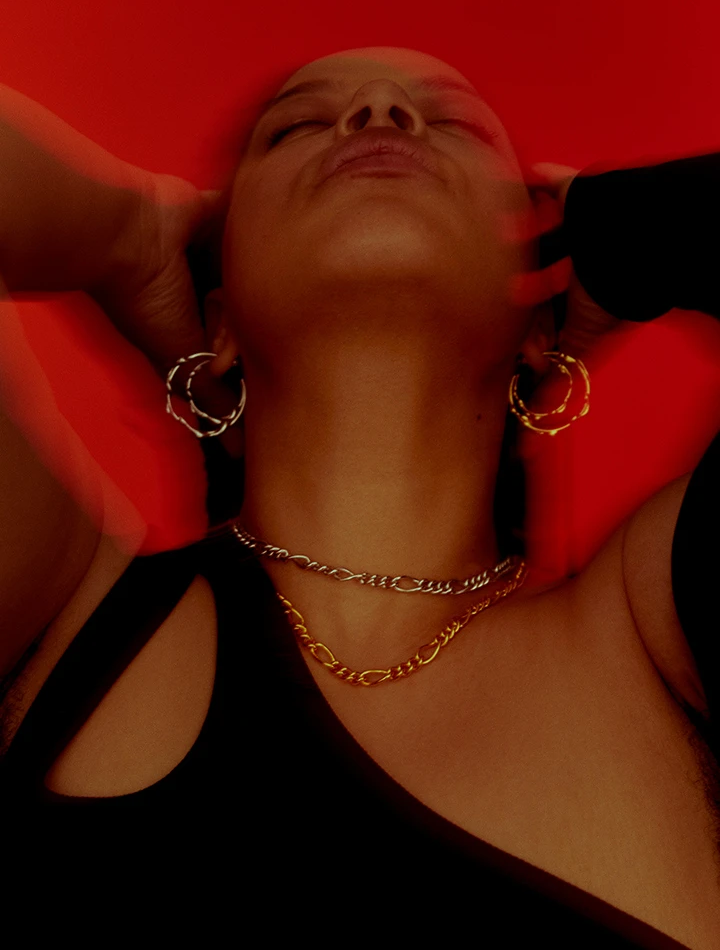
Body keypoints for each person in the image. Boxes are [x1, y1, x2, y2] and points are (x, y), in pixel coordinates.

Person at [0, 46, 718, 947]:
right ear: (217, 323)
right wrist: (128, 233)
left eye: (452, 124)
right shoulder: (66, 612)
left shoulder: (654, 634)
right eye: (296, 126)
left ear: (540, 322)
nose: (379, 108)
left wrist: (622, 228)